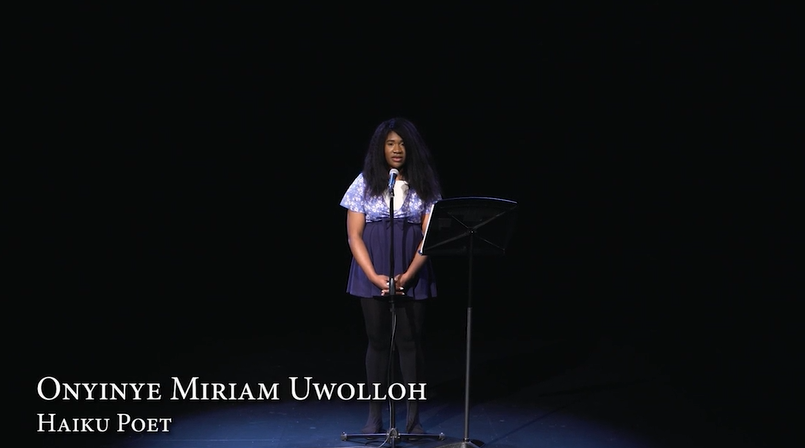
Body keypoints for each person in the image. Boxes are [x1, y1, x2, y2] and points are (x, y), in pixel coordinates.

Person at [340, 117, 442, 435]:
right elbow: (354, 235)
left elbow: (430, 235)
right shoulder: (365, 182)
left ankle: (413, 418)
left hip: (413, 268)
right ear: (380, 149)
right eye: (390, 143)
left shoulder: (425, 183)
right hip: (372, 269)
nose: (397, 149)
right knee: (378, 341)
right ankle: (374, 417)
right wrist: (373, 276)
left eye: (401, 143)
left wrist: (409, 274)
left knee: (410, 342)